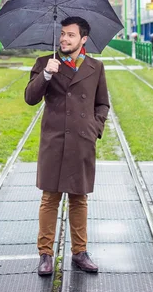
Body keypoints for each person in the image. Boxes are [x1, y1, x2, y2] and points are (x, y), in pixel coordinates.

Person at [24, 16, 109, 276]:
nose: (64, 39)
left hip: (81, 142)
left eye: (70, 35)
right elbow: (30, 98)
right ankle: (45, 254)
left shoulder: (96, 66)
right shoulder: (45, 63)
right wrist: (47, 74)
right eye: (62, 34)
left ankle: (80, 253)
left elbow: (102, 103)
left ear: (83, 39)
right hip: (54, 141)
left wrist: (95, 128)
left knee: (79, 198)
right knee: (49, 198)